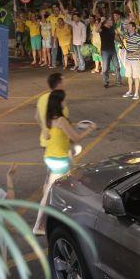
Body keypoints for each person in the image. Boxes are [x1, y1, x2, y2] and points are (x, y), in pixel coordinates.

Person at [32, 90, 95, 234]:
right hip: (59, 161)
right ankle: (38, 225)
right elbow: (76, 138)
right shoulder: (61, 120)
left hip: (50, 157)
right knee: (52, 192)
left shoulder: (48, 119)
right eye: (64, 101)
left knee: (69, 183)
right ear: (59, 103)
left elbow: (59, 135)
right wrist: (90, 129)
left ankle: (52, 220)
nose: (65, 103)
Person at [36, 73, 68, 148]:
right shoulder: (60, 99)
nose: (65, 84)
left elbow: (37, 117)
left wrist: (44, 129)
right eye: (64, 81)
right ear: (59, 84)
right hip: (58, 142)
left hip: (45, 141)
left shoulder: (41, 98)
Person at [122, 21, 140, 100]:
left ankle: (136, 93)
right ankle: (130, 91)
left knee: (136, 77)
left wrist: (132, 54)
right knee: (129, 76)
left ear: (133, 28)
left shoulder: (138, 36)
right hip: (128, 59)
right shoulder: (126, 35)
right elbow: (120, 39)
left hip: (135, 60)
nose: (128, 27)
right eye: (127, 26)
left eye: (129, 26)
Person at [99, 16, 122, 88]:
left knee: (117, 66)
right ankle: (106, 82)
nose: (112, 22)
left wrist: (119, 37)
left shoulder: (112, 29)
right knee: (105, 68)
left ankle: (118, 81)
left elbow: (116, 38)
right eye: (110, 21)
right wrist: (101, 21)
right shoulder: (102, 28)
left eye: (112, 21)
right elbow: (96, 30)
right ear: (106, 22)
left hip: (113, 50)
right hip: (105, 51)